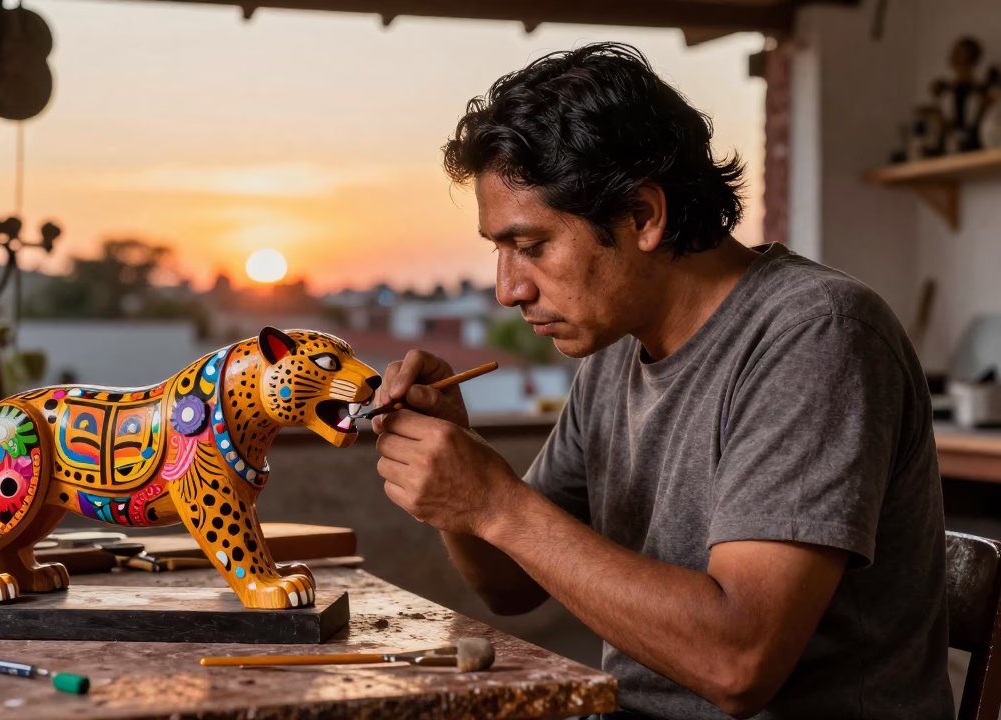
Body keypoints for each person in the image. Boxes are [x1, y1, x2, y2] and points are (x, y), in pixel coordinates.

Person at [373, 43, 952, 719]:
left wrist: (498, 503)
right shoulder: (614, 353)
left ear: (644, 216)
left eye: (531, 247)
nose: (507, 289)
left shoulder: (817, 333)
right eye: (497, 250)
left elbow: (738, 663)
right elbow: (511, 585)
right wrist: (459, 479)